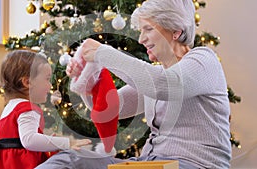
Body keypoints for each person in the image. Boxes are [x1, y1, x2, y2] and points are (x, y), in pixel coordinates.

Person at [36, 0, 231, 168]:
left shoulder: (204, 60)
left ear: (175, 30)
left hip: (195, 165)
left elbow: (164, 86)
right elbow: (110, 108)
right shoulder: (154, 76)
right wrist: (88, 78)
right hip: (150, 163)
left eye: (148, 29)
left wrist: (103, 53)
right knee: (72, 160)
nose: (140, 39)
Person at [0, 50, 91, 169]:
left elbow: (18, 141)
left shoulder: (11, 107)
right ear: (27, 82)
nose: (50, 86)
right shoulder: (27, 108)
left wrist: (49, 143)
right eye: (47, 79)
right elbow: (29, 140)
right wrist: (67, 143)